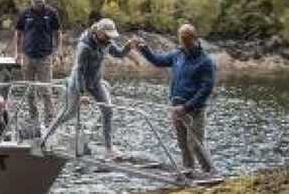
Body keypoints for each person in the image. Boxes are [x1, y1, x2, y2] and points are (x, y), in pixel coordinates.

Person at [131, 25, 216, 174]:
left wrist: (186, 107)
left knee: (195, 144)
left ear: (195, 39)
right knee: (183, 144)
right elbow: (158, 61)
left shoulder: (205, 62)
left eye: (188, 40)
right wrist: (144, 48)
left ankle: (209, 173)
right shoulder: (178, 55)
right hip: (176, 108)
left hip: (194, 110)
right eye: (182, 40)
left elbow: (206, 89)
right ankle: (188, 171)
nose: (185, 43)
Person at [42, 18, 134, 156]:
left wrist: (128, 46)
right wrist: (82, 93)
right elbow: (79, 71)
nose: (110, 38)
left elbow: (118, 53)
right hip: (79, 82)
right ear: (99, 32)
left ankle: (109, 148)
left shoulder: (106, 42)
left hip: (96, 82)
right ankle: (47, 135)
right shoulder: (85, 46)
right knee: (69, 112)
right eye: (107, 34)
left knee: (108, 110)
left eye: (111, 35)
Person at [13, 0, 62, 127]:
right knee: (29, 91)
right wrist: (17, 53)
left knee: (46, 90)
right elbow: (18, 33)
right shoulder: (25, 14)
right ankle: (33, 118)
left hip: (45, 58)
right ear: (31, 0)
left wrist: (57, 52)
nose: (38, 3)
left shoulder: (51, 13)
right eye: (36, 0)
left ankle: (49, 120)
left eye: (40, 0)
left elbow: (58, 33)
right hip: (27, 57)